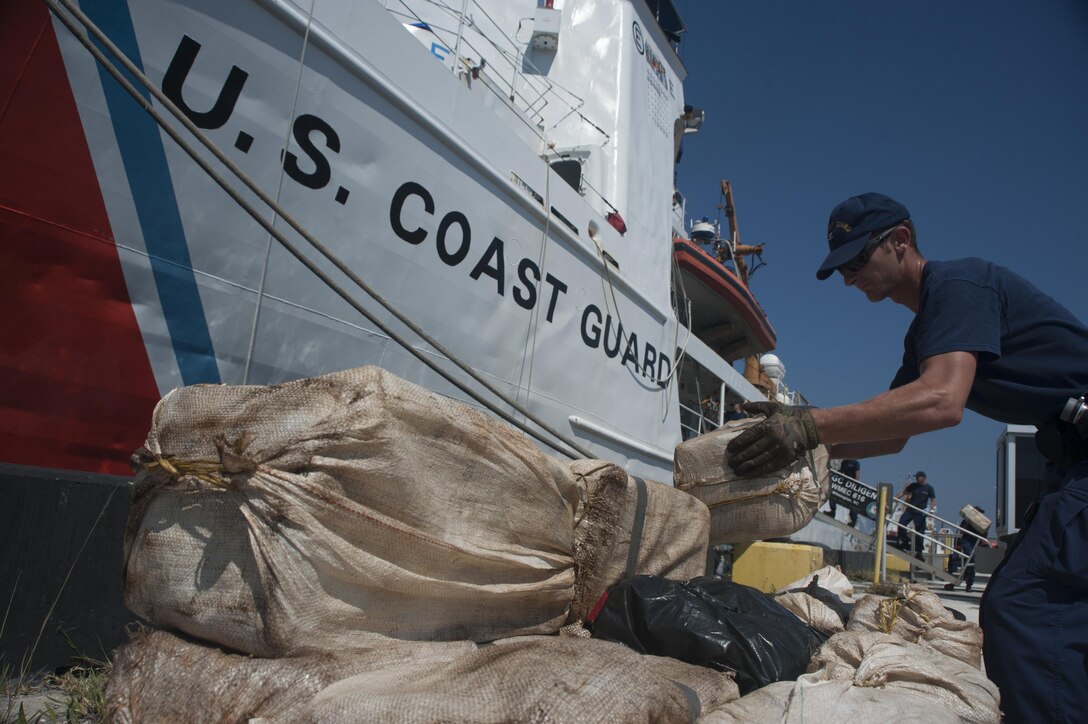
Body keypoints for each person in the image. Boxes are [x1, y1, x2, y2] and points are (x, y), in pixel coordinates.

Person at [723, 192, 1088, 722]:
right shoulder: (925, 332)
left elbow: (942, 401)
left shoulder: (959, 286)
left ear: (900, 241)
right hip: (1071, 463)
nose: (849, 277)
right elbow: (892, 433)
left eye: (856, 261)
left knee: (1025, 610)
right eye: (840, 270)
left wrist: (809, 426)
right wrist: (797, 441)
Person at [945, 507, 989, 593]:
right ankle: (967, 583)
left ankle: (968, 583)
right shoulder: (967, 520)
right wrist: (969, 521)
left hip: (975, 542)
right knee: (970, 560)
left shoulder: (983, 522)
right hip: (967, 541)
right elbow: (962, 530)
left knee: (970, 563)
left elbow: (984, 534)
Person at [894, 471, 935, 559]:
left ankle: (919, 552)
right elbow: (903, 493)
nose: (916, 479)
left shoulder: (929, 488)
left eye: (917, 477)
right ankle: (905, 542)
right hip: (910, 509)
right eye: (916, 477)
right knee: (901, 523)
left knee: (920, 532)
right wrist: (894, 498)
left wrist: (929, 510)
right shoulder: (913, 486)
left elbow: (933, 501)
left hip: (920, 512)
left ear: (923, 478)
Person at [828, 458, 860, 526]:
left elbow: (857, 474)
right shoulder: (844, 462)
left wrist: (855, 483)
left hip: (851, 484)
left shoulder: (855, 462)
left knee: (853, 502)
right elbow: (841, 471)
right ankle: (832, 511)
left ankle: (853, 520)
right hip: (844, 483)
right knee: (833, 493)